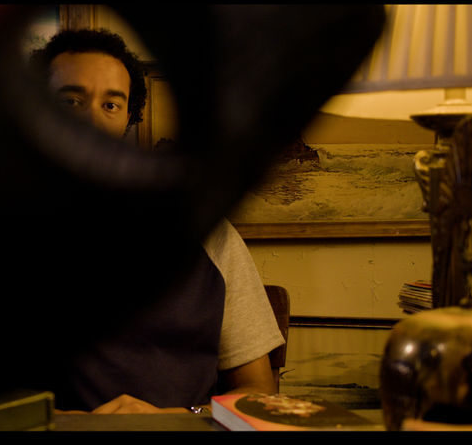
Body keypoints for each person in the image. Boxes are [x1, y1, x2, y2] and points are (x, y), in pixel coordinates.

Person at [29, 29, 285, 414]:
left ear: (128, 117)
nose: (91, 121)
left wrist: (177, 419)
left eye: (110, 104)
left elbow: (259, 392)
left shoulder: (206, 231)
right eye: (71, 101)